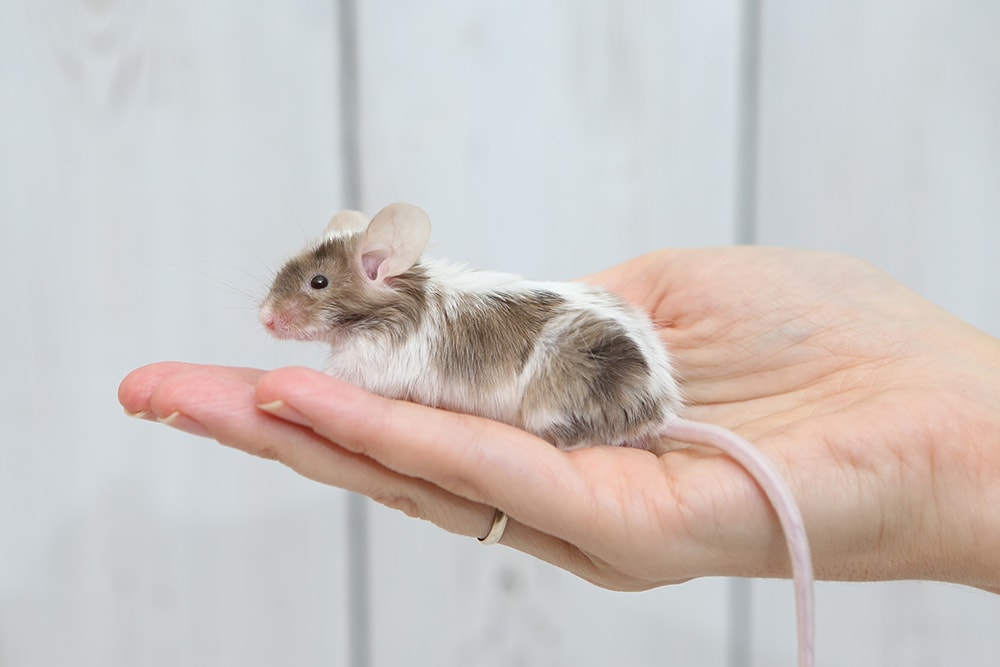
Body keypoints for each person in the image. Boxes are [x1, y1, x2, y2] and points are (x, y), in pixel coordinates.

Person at [118, 247, 1000, 594]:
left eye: (311, 292)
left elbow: (395, 372)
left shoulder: (405, 321)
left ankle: (577, 424)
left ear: (378, 269)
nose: (287, 312)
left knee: (547, 382)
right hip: (610, 366)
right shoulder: (407, 311)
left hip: (596, 377)